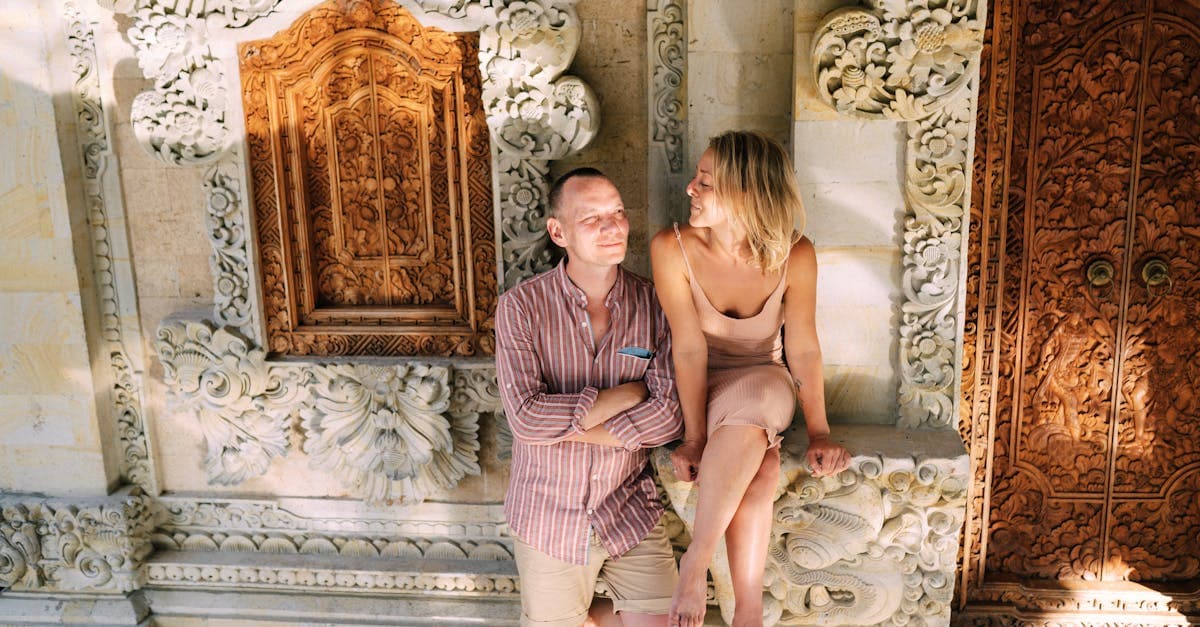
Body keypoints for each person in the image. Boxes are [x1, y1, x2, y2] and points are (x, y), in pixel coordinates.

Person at [650, 131, 852, 627]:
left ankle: (694, 566)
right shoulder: (671, 247)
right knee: (760, 470)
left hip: (766, 379)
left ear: (747, 192)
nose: (690, 189)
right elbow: (690, 347)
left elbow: (802, 345)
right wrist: (695, 438)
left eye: (705, 182)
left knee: (759, 393)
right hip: (702, 385)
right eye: (696, 178)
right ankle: (749, 613)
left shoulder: (795, 254)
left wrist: (820, 430)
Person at [496, 167, 684, 627]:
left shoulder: (656, 304)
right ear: (558, 232)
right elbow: (525, 419)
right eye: (591, 218)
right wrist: (627, 393)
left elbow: (668, 416)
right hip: (547, 514)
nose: (612, 226)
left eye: (617, 212)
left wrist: (569, 430)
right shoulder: (520, 307)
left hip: (629, 509)